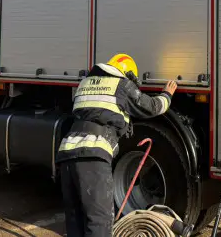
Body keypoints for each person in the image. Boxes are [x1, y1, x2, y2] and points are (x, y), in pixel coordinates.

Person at [56, 54, 177, 237]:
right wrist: (167, 94)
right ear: (126, 73)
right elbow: (151, 106)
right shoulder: (121, 84)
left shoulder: (85, 83)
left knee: (76, 218)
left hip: (67, 155)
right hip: (93, 157)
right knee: (99, 220)